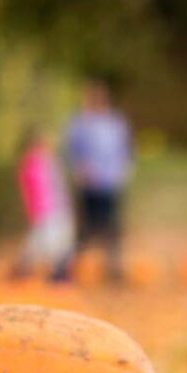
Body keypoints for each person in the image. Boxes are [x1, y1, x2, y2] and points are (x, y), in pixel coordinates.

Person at [64, 78, 132, 282]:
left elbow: (125, 151)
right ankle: (70, 270)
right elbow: (71, 152)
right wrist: (79, 172)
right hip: (89, 184)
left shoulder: (116, 123)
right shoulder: (79, 123)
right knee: (85, 231)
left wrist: (122, 173)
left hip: (110, 184)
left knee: (111, 230)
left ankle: (113, 270)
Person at [14, 127, 74, 281]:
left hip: (57, 209)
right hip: (45, 210)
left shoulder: (49, 162)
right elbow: (35, 191)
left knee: (53, 241)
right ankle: (51, 271)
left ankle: (57, 271)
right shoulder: (32, 164)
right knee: (44, 242)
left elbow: (59, 187)